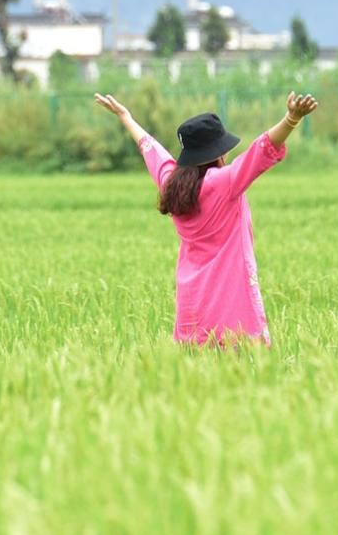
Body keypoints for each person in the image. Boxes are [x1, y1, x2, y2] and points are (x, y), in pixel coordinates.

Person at [94, 91, 319, 346]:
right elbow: (261, 149)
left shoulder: (171, 184)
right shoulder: (224, 183)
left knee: (197, 380)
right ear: (217, 154)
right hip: (231, 305)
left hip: (192, 306)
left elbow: (150, 149)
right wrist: (291, 118)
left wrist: (125, 117)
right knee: (242, 376)